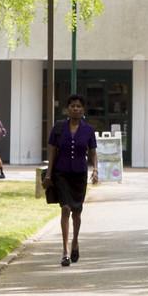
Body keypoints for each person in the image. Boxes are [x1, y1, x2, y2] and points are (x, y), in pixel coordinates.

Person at [46, 93, 98, 267]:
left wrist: (96, 169)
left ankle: (75, 240)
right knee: (65, 209)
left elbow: (92, 152)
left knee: (77, 212)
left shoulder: (88, 130)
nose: (75, 108)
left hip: (79, 174)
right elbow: (52, 150)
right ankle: (65, 250)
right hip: (61, 173)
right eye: (72, 106)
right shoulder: (59, 127)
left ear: (83, 110)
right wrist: (48, 174)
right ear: (67, 109)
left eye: (78, 106)